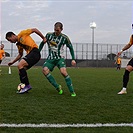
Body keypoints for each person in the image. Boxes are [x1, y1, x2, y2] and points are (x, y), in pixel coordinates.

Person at [39, 22, 76, 97]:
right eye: (55, 30)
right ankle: (57, 87)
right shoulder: (49, 35)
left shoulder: (65, 38)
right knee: (44, 70)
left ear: (62, 29)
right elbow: (42, 43)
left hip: (60, 59)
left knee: (63, 72)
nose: (56, 32)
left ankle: (72, 91)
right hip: (51, 59)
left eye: (58, 30)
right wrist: (38, 53)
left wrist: (73, 59)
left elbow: (71, 48)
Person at [5, 28, 46, 94]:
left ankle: (27, 85)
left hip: (35, 52)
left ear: (12, 36)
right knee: (20, 71)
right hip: (32, 55)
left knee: (20, 65)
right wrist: (12, 62)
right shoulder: (18, 44)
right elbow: (20, 55)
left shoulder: (22, 33)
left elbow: (34, 30)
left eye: (10, 40)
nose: (11, 42)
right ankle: (24, 87)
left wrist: (43, 38)